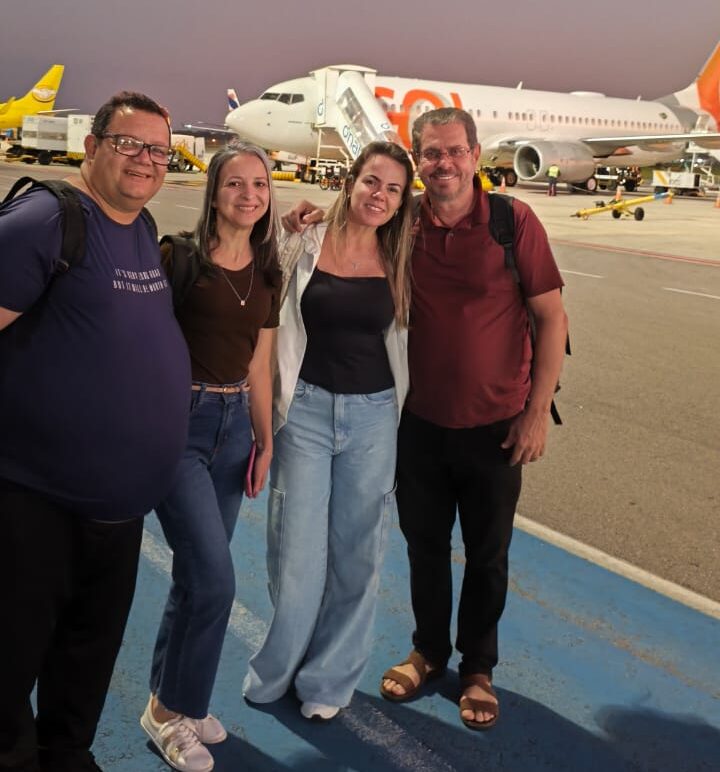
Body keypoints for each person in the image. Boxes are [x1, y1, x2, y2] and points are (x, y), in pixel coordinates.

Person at [282, 108, 568, 731]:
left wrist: (536, 414)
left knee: (488, 554)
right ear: (419, 161)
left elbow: (551, 318)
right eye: (432, 153)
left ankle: (478, 668)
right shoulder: (404, 221)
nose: (444, 163)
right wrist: (307, 214)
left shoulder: (511, 221)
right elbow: (353, 220)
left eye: (455, 151)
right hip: (416, 423)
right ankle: (429, 651)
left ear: (475, 154)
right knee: (425, 548)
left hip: (496, 425)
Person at [0, 92, 190, 772]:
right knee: (9, 658)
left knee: (85, 660)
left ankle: (66, 756)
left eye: (158, 150)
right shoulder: (46, 219)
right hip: (35, 500)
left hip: (115, 509)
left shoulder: (140, 225)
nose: (145, 160)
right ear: (92, 146)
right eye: (128, 144)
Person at [242, 141, 415, 721]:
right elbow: (256, 275)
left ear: (401, 203)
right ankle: (278, 669)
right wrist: (284, 222)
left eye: (393, 189)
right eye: (372, 181)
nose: (379, 195)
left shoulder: (401, 256)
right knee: (295, 552)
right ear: (350, 182)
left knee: (358, 554)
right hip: (306, 413)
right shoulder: (304, 239)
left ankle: (328, 680)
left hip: (374, 417)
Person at [141, 144, 281, 772]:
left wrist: (265, 439)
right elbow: (142, 342)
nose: (249, 195)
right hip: (181, 427)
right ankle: (174, 710)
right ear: (214, 192)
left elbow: (260, 364)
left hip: (235, 431)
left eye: (260, 184)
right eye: (235, 184)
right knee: (217, 581)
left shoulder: (269, 271)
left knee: (195, 578)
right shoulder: (180, 258)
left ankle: (169, 701)